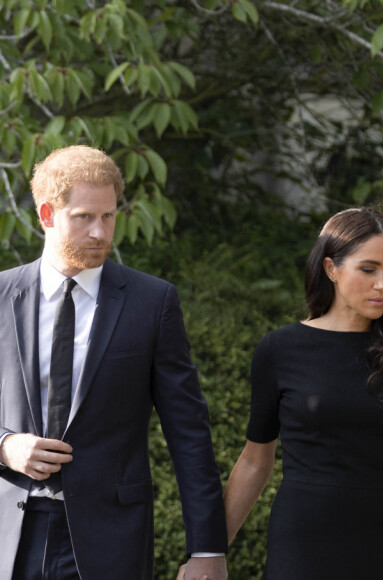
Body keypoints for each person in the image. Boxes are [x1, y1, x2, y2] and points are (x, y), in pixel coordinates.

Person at [0, 145, 228, 580]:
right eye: (85, 217)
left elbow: (189, 432)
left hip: (111, 540)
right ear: (47, 215)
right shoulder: (1, 296)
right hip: (10, 534)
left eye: (109, 216)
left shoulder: (153, 302)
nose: (101, 233)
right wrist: (5, 445)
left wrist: (207, 548)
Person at [223, 207, 383, 579]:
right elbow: (254, 462)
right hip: (302, 548)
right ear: (331, 268)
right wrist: (212, 551)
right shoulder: (280, 350)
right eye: (368, 269)